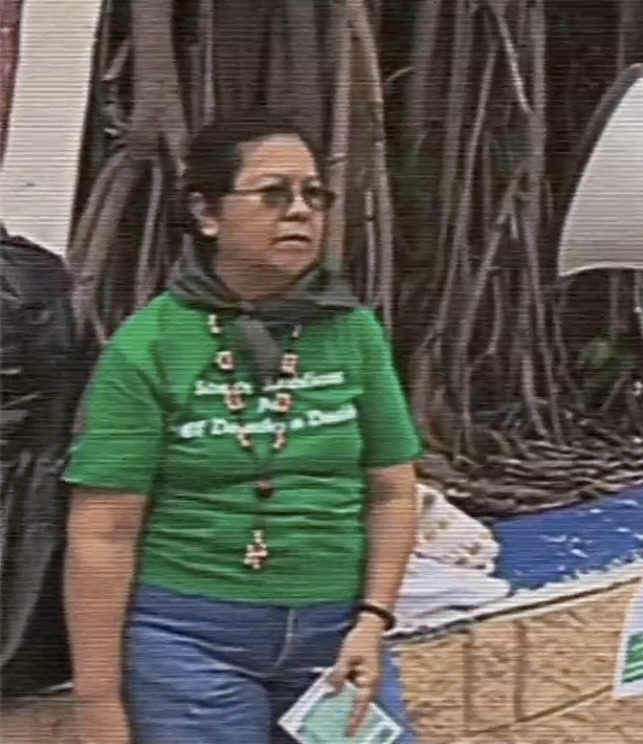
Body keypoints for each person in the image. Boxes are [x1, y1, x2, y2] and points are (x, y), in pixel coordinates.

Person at [62, 112, 424, 744]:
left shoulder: (353, 332)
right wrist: (97, 702)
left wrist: (373, 618)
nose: (300, 213)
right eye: (273, 194)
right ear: (207, 215)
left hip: (336, 634)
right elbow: (104, 531)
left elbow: (393, 492)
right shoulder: (150, 345)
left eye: (315, 195)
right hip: (190, 639)